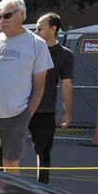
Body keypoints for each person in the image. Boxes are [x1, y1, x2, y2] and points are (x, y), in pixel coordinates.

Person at [0, 0, 53, 173]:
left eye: (7, 16)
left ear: (22, 15)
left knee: (11, 163)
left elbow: (39, 87)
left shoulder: (37, 44)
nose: (2, 21)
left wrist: (26, 115)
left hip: (16, 115)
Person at [28, 12, 73, 184]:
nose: (36, 31)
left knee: (43, 152)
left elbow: (66, 84)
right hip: (19, 107)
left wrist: (67, 112)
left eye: (40, 28)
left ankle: (42, 188)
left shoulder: (65, 55)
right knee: (5, 150)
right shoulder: (29, 49)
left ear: (53, 29)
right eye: (35, 28)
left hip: (45, 111)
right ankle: (1, 186)